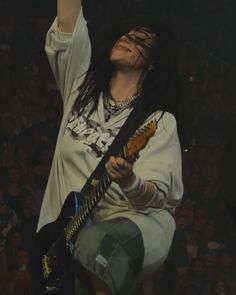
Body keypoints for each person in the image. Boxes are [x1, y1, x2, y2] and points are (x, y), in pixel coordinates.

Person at [36, 1, 183, 295]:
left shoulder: (158, 121)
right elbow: (68, 18)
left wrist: (130, 180)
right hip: (64, 233)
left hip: (129, 225)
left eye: (139, 40)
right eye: (125, 35)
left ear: (153, 61)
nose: (126, 39)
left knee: (94, 244)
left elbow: (158, 195)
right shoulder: (82, 86)